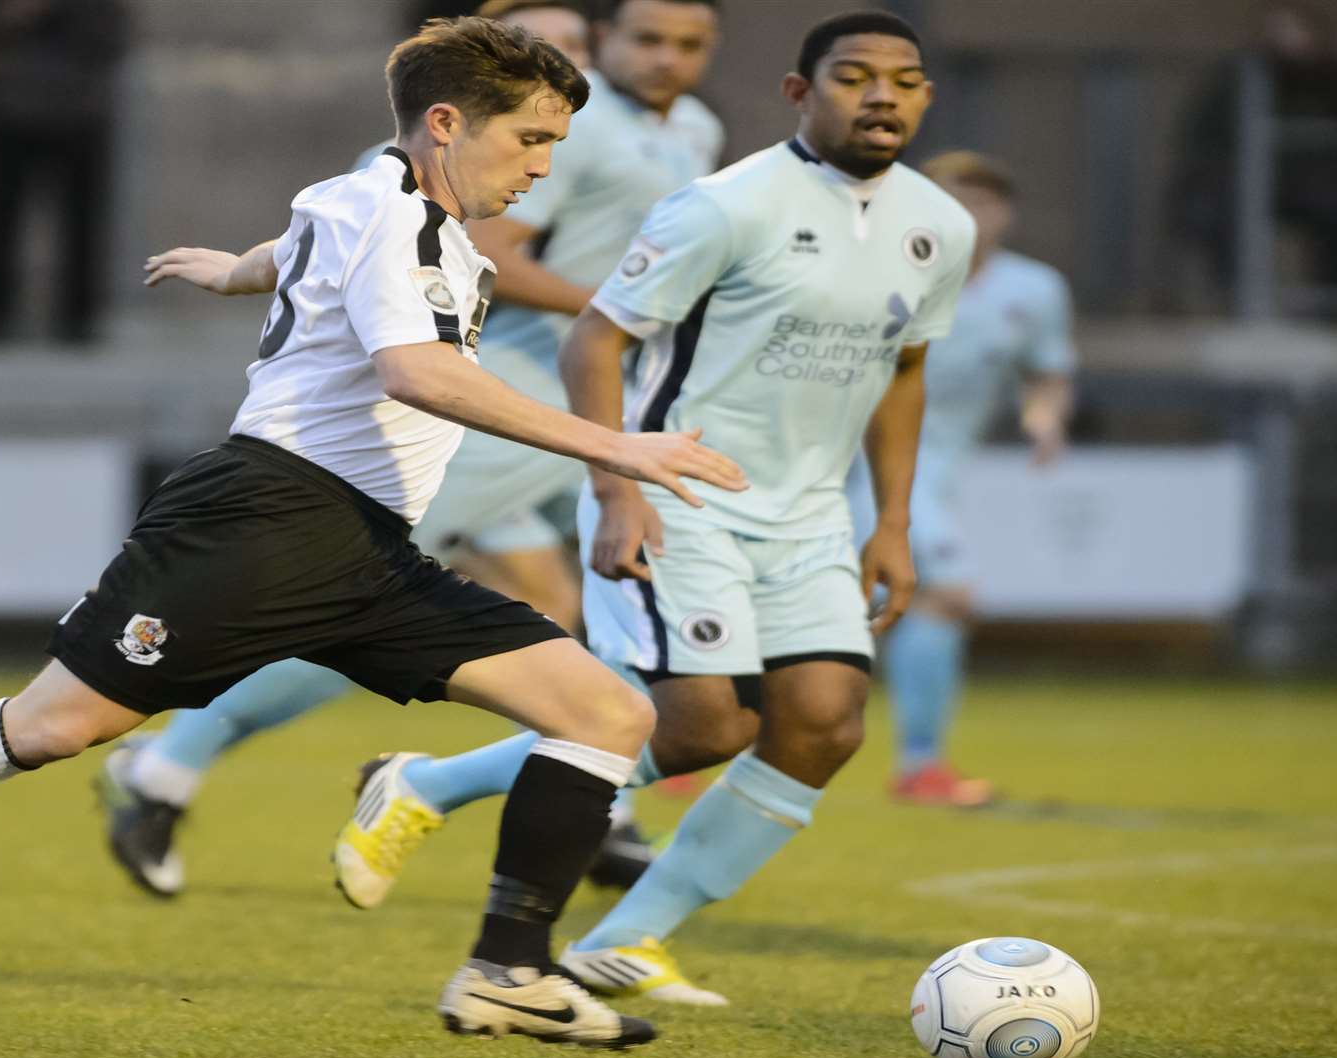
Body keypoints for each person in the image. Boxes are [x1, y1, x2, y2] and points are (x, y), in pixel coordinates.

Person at [0, 17, 747, 1048]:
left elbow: (302, 242)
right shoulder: (391, 213)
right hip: (259, 523)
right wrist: (616, 449)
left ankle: (508, 969)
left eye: (555, 142)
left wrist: (233, 270)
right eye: (533, 139)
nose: (545, 165)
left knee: (602, 710)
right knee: (44, 732)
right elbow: (414, 371)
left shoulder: (377, 201)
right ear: (448, 123)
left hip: (367, 548)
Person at [334, 10, 975, 1007]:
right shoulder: (724, 206)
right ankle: (426, 787)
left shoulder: (942, 225)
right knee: (698, 726)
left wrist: (888, 522)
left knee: (825, 723)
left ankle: (627, 936)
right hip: (685, 496)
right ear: (801, 94)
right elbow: (594, 342)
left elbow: (905, 371)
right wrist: (616, 491)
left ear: (929, 98)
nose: (883, 95)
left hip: (809, 519)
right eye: (854, 76)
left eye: (906, 79)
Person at [94, 0, 726, 902]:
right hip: (500, 400)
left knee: (558, 603)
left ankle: (595, 794)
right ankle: (166, 764)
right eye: (564, 45)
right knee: (359, 603)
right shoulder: (473, 155)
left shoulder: (673, 129)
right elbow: (370, 240)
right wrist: (625, 317)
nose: (579, 59)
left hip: (578, 404)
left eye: (579, 44)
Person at [849, 150, 1074, 807]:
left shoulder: (1034, 290)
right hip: (857, 459)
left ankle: (680, 735)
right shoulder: (875, 270)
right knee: (945, 592)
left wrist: (1045, 419)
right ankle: (921, 767)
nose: (972, 215)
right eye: (956, 199)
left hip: (936, 466)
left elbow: (1047, 373)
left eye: (986, 201)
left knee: (839, 606)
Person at [0, 0, 131, 343]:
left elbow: (114, 41)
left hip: (78, 117)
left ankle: (77, 320)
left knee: (82, 224)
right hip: (5, 117)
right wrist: (9, 21)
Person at [1173, 2, 1337, 322]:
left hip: (1316, 186)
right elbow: (1204, 137)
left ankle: (1333, 309)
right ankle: (1236, 300)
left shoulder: (1336, 79)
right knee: (1218, 214)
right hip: (1243, 183)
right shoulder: (1240, 77)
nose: (1287, 42)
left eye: (1296, 31)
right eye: (1278, 32)